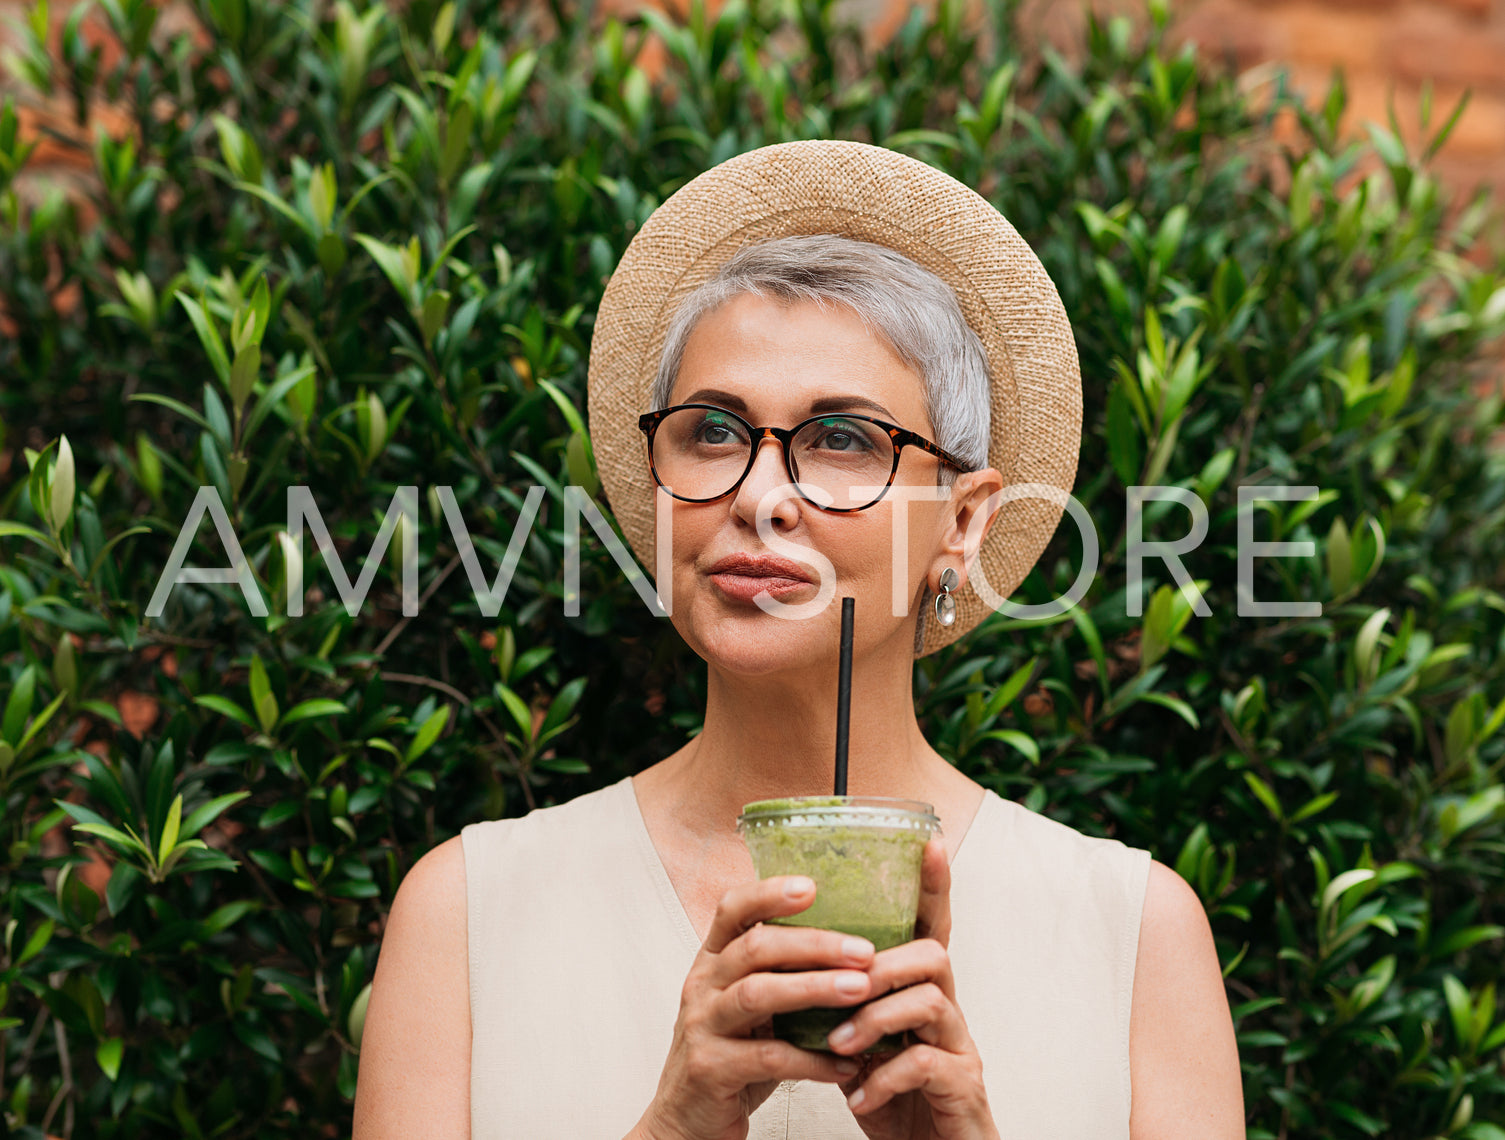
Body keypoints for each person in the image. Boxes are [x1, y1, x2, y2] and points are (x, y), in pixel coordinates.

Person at [351, 141, 1245, 1140]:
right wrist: (675, 1126)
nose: (761, 497)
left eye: (843, 439)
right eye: (714, 432)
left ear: (962, 523)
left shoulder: (1131, 936)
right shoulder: (467, 916)